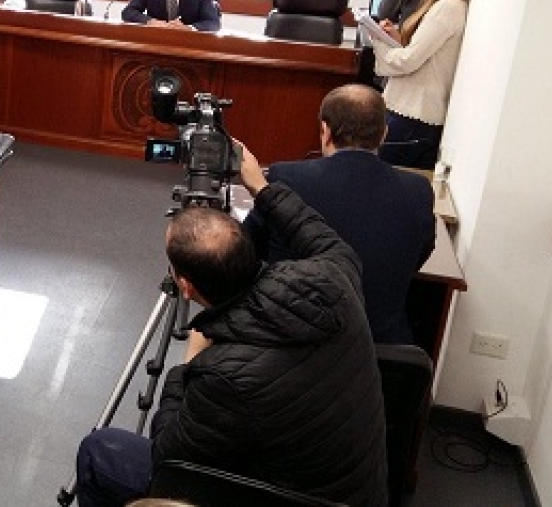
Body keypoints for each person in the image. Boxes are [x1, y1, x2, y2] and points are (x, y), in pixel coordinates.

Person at [74, 143, 388, 507]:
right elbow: (314, 231)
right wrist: (262, 188)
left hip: (291, 498)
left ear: (186, 287)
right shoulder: (333, 280)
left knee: (100, 450)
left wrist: (188, 364)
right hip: (359, 491)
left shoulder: (222, 377)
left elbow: (169, 458)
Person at [245, 84, 435, 344]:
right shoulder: (418, 190)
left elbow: (248, 250)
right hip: (378, 348)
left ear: (325, 131)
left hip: (291, 343)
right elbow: (418, 256)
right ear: (384, 134)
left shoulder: (287, 178)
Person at [373, 0, 478, 169]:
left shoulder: (448, 8)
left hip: (411, 116)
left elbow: (408, 61)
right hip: (414, 116)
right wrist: (398, 39)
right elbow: (424, 55)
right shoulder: (454, 5)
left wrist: (379, 42)